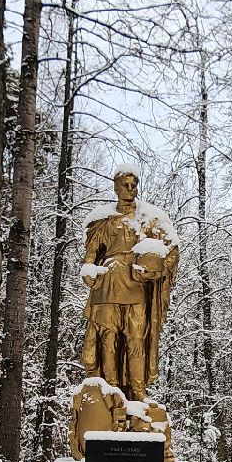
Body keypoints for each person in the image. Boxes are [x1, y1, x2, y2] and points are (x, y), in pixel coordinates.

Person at [78, 165, 178, 400]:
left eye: (134, 185)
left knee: (136, 337)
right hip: (109, 281)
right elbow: (91, 254)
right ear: (115, 187)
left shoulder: (149, 217)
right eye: (126, 185)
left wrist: (157, 266)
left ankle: (138, 390)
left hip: (136, 284)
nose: (130, 189)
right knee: (108, 336)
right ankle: (110, 390)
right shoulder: (104, 220)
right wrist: (88, 270)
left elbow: (171, 246)